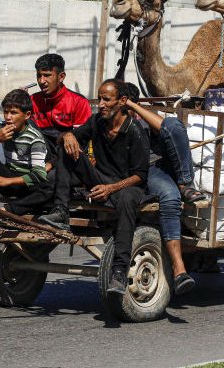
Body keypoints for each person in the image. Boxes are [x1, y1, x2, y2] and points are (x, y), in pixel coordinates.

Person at [38, 79, 148, 295]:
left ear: (122, 102)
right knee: (67, 149)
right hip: (99, 180)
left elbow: (140, 175)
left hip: (126, 186)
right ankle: (60, 211)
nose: (101, 104)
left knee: (126, 201)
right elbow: (70, 139)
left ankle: (119, 271)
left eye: (106, 100)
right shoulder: (97, 121)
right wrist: (67, 135)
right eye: (99, 99)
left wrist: (111, 189)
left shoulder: (134, 130)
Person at [120, 82, 204, 295]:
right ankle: (179, 269)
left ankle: (185, 183)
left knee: (174, 125)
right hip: (147, 171)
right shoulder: (109, 122)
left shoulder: (144, 118)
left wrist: (133, 106)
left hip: (167, 165)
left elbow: (167, 128)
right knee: (170, 197)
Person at [0, 89, 54, 214]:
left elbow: (38, 174)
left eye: (14, 113)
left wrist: (6, 181)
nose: (8, 117)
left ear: (27, 115)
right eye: (6, 112)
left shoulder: (35, 138)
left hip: (25, 185)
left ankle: (9, 210)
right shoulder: (1, 127)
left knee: (48, 188)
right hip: (7, 180)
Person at [30, 53, 92, 145]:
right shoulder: (31, 100)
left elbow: (82, 139)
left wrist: (65, 135)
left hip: (68, 156)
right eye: (39, 75)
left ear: (61, 77)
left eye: (47, 75)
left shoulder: (79, 102)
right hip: (39, 155)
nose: (41, 81)